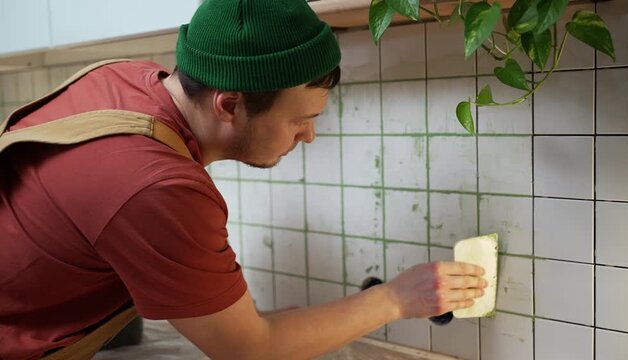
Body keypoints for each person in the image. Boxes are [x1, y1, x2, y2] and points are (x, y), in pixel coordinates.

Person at [0, 0, 487, 359]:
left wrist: (257, 323)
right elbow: (248, 352)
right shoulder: (159, 186)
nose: (310, 136)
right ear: (229, 104)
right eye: (299, 120)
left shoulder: (126, 79)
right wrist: (395, 298)